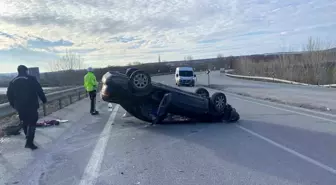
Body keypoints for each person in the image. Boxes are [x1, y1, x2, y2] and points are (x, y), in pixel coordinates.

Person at [6, 65, 47, 150]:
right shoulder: (31, 79)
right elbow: (39, 90)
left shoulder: (13, 81)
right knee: (32, 121)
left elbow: (9, 95)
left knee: (24, 121)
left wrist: (14, 104)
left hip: (20, 106)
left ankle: (27, 136)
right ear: (26, 71)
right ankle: (29, 142)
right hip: (31, 104)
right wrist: (44, 100)